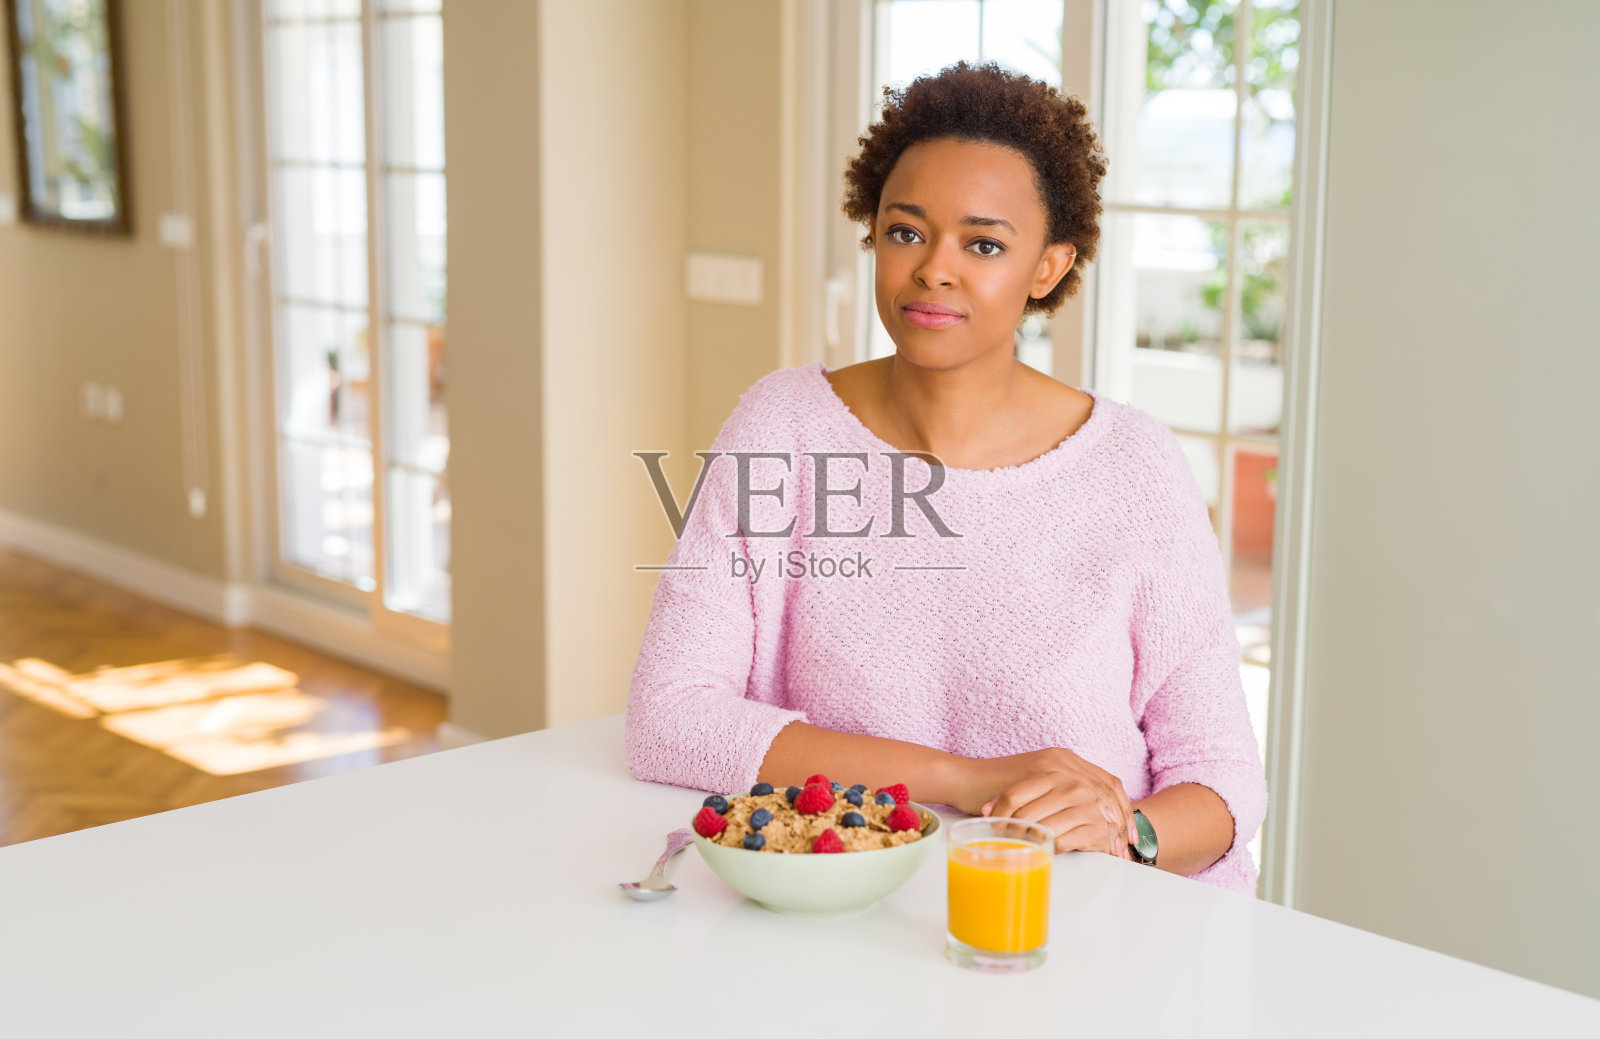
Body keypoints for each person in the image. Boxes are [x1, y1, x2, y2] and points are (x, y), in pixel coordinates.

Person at [626, 61, 1267, 896]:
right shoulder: (781, 425)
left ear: (1048, 267)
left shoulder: (1136, 468)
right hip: (840, 912)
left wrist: (1126, 830)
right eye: (906, 231)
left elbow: (1222, 780)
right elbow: (670, 718)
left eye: (985, 244)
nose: (934, 268)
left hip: (1080, 915)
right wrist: (965, 778)